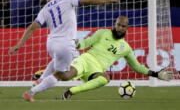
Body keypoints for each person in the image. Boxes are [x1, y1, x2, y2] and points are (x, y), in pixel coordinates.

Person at [8, 0, 120, 102]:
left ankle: (41, 80)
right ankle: (31, 92)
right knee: (63, 75)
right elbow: (87, 0)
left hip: (51, 44)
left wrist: (18, 45)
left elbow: (32, 27)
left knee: (59, 61)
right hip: (65, 44)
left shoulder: (45, 8)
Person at [26, 16, 173, 101]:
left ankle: (70, 91)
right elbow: (86, 43)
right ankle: (41, 80)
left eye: (123, 26)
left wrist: (156, 73)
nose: (120, 28)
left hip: (97, 69)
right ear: (114, 25)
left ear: (127, 28)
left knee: (105, 78)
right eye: (118, 25)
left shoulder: (126, 48)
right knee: (65, 76)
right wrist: (78, 43)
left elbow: (137, 67)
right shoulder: (103, 33)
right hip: (86, 59)